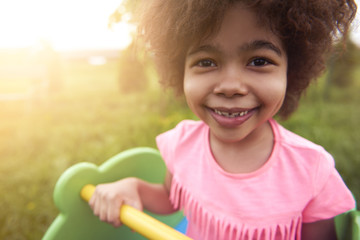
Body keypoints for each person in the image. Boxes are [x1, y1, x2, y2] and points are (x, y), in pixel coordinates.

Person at [89, 1, 357, 239]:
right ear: (179, 70)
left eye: (259, 61)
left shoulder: (311, 170)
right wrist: (132, 187)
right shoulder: (183, 143)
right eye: (206, 62)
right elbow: (171, 199)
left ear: (292, 69)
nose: (230, 86)